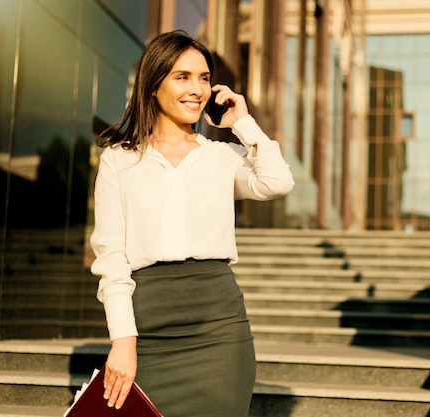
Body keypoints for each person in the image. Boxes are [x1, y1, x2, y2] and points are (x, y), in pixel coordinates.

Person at [89, 30, 294, 417]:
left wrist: (242, 122)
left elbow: (278, 181)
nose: (197, 89)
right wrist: (123, 339)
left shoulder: (223, 156)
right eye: (182, 77)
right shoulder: (119, 160)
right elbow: (111, 259)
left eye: (204, 78)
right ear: (153, 85)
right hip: (148, 324)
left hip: (219, 329)